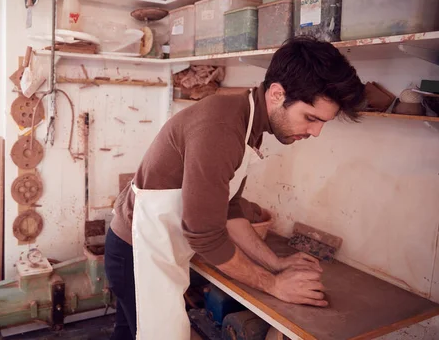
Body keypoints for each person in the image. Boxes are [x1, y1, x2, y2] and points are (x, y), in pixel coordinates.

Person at [104, 36, 366, 340]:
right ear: (278, 94)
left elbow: (229, 210)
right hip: (135, 253)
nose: (316, 132)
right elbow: (206, 237)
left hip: (155, 248)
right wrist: (273, 285)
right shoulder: (222, 128)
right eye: (310, 118)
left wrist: (275, 262)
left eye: (323, 123)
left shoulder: (247, 120)